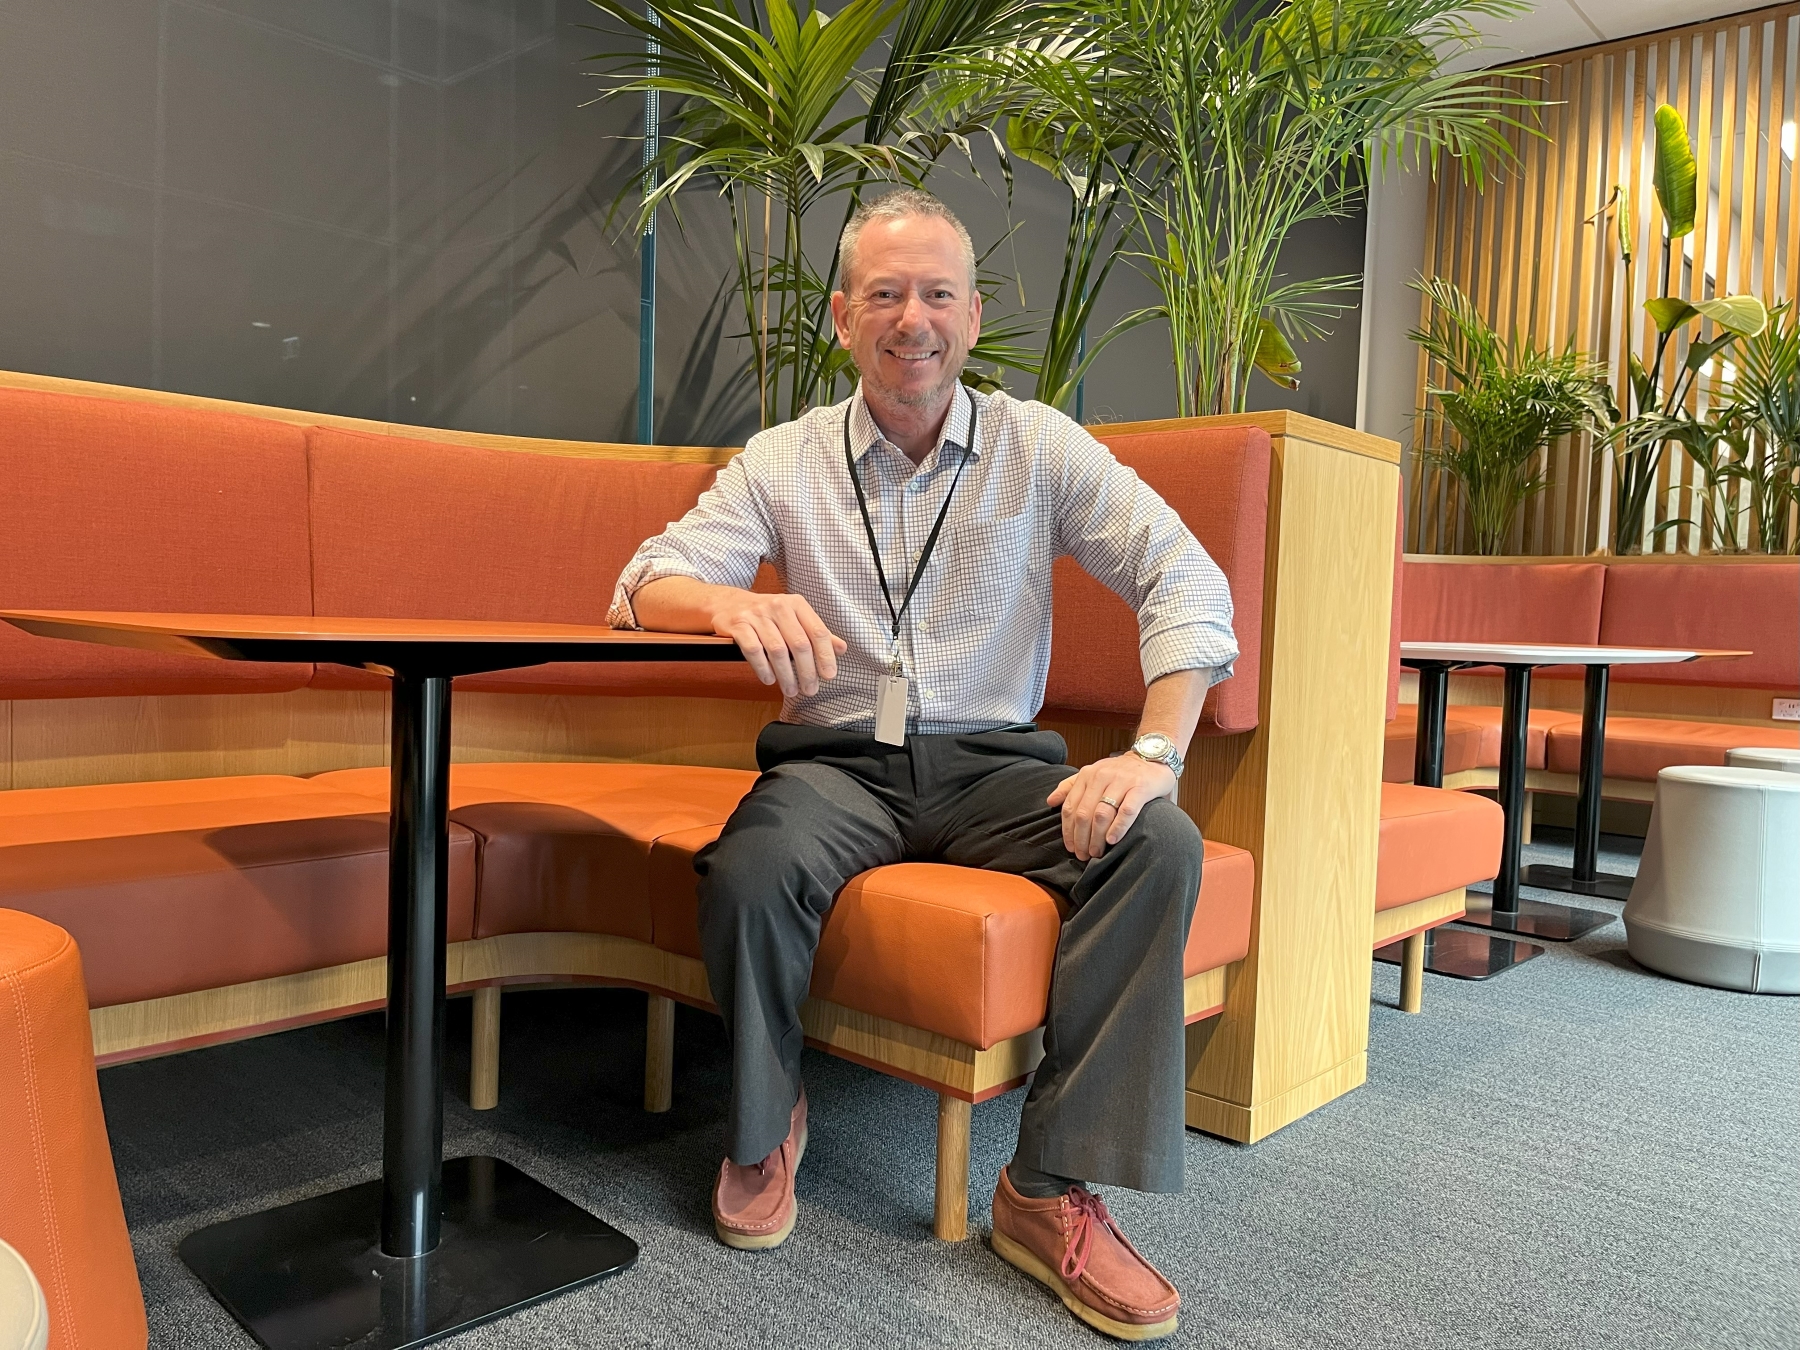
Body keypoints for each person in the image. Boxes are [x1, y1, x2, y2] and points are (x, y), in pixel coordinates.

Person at [608, 187, 1237, 1342]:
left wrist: (1153, 752)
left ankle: (1045, 1193)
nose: (914, 319)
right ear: (844, 317)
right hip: (838, 761)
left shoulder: (1039, 446)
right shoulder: (784, 458)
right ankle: (764, 1121)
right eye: (886, 294)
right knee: (750, 870)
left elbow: (1185, 577)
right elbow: (642, 581)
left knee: (1157, 840)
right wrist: (728, 603)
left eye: (938, 293)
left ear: (972, 312)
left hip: (996, 765)